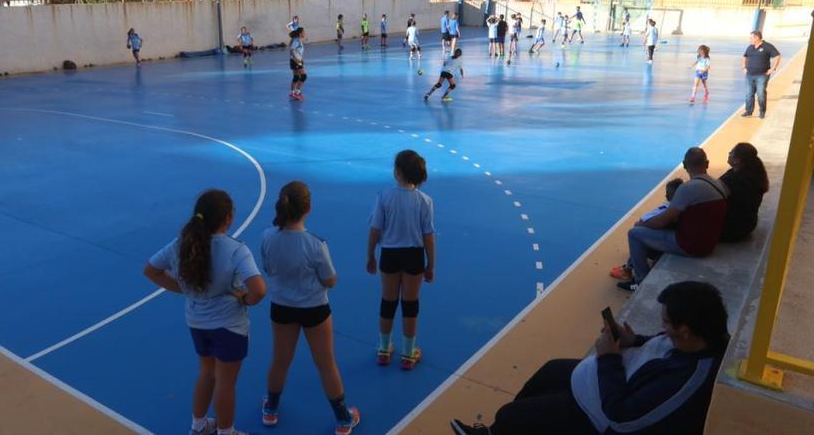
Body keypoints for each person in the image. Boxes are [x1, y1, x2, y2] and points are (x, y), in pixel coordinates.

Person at [450, 281, 730, 435]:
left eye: (668, 323)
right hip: (607, 381)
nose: (663, 329)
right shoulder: (698, 340)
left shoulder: (686, 381)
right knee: (550, 371)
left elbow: (622, 418)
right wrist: (634, 341)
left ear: (686, 330)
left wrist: (608, 359)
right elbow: (661, 345)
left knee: (511, 416)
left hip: (598, 412)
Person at [144, 189, 267, 435]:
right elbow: (259, 290)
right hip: (229, 325)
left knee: (206, 372)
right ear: (228, 219)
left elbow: (151, 269)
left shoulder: (182, 244)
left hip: (197, 322)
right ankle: (226, 431)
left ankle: (198, 426)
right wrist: (246, 299)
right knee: (226, 382)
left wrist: (186, 289)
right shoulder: (235, 249)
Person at [260, 181, 361, 434]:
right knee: (326, 364)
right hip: (314, 309)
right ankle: (342, 419)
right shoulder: (316, 244)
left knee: (280, 361)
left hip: (281, 307)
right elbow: (329, 279)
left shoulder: (267, 237)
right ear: (309, 208)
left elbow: (268, 269)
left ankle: (270, 409)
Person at [619, 148, 727, 292]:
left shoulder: (687, 189)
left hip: (691, 246)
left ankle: (640, 282)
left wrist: (642, 223)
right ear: (707, 164)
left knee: (634, 233)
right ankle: (633, 266)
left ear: (684, 164)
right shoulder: (720, 185)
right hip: (710, 242)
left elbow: (661, 222)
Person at [367, 150, 436, 371]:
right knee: (410, 304)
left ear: (397, 172)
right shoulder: (425, 201)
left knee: (388, 302)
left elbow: (375, 230)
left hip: (389, 253)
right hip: (414, 255)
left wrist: (370, 256)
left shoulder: (384, 196)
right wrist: (430, 264)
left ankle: (384, 349)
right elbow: (428, 236)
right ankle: (408, 352)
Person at [611, 178, 684, 281]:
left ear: (668, 196)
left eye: (667, 193)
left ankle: (632, 272)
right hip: (676, 238)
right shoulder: (686, 207)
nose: (665, 195)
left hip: (672, 243)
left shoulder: (667, 210)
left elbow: (642, 222)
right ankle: (629, 266)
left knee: (636, 233)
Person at [720, 143, 769, 242]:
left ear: (737, 160)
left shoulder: (734, 179)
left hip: (731, 229)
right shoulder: (756, 174)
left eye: (731, 153)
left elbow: (714, 194)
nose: (729, 154)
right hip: (749, 224)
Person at [742, 30, 781, 119]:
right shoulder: (750, 47)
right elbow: (745, 56)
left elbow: (777, 56)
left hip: (762, 75)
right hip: (749, 75)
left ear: (757, 37)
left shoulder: (767, 46)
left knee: (761, 94)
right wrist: (744, 67)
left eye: (751, 38)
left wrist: (773, 68)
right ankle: (748, 111)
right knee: (749, 94)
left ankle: (762, 112)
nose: (750, 39)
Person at [289, 27, 307, 100]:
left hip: (297, 61)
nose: (304, 33)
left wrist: (300, 59)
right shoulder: (296, 41)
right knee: (303, 76)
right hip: (295, 61)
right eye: (303, 32)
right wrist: (296, 60)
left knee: (296, 77)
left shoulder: (298, 40)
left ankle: (293, 93)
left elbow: (297, 52)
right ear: (300, 33)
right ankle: (297, 92)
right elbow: (291, 50)